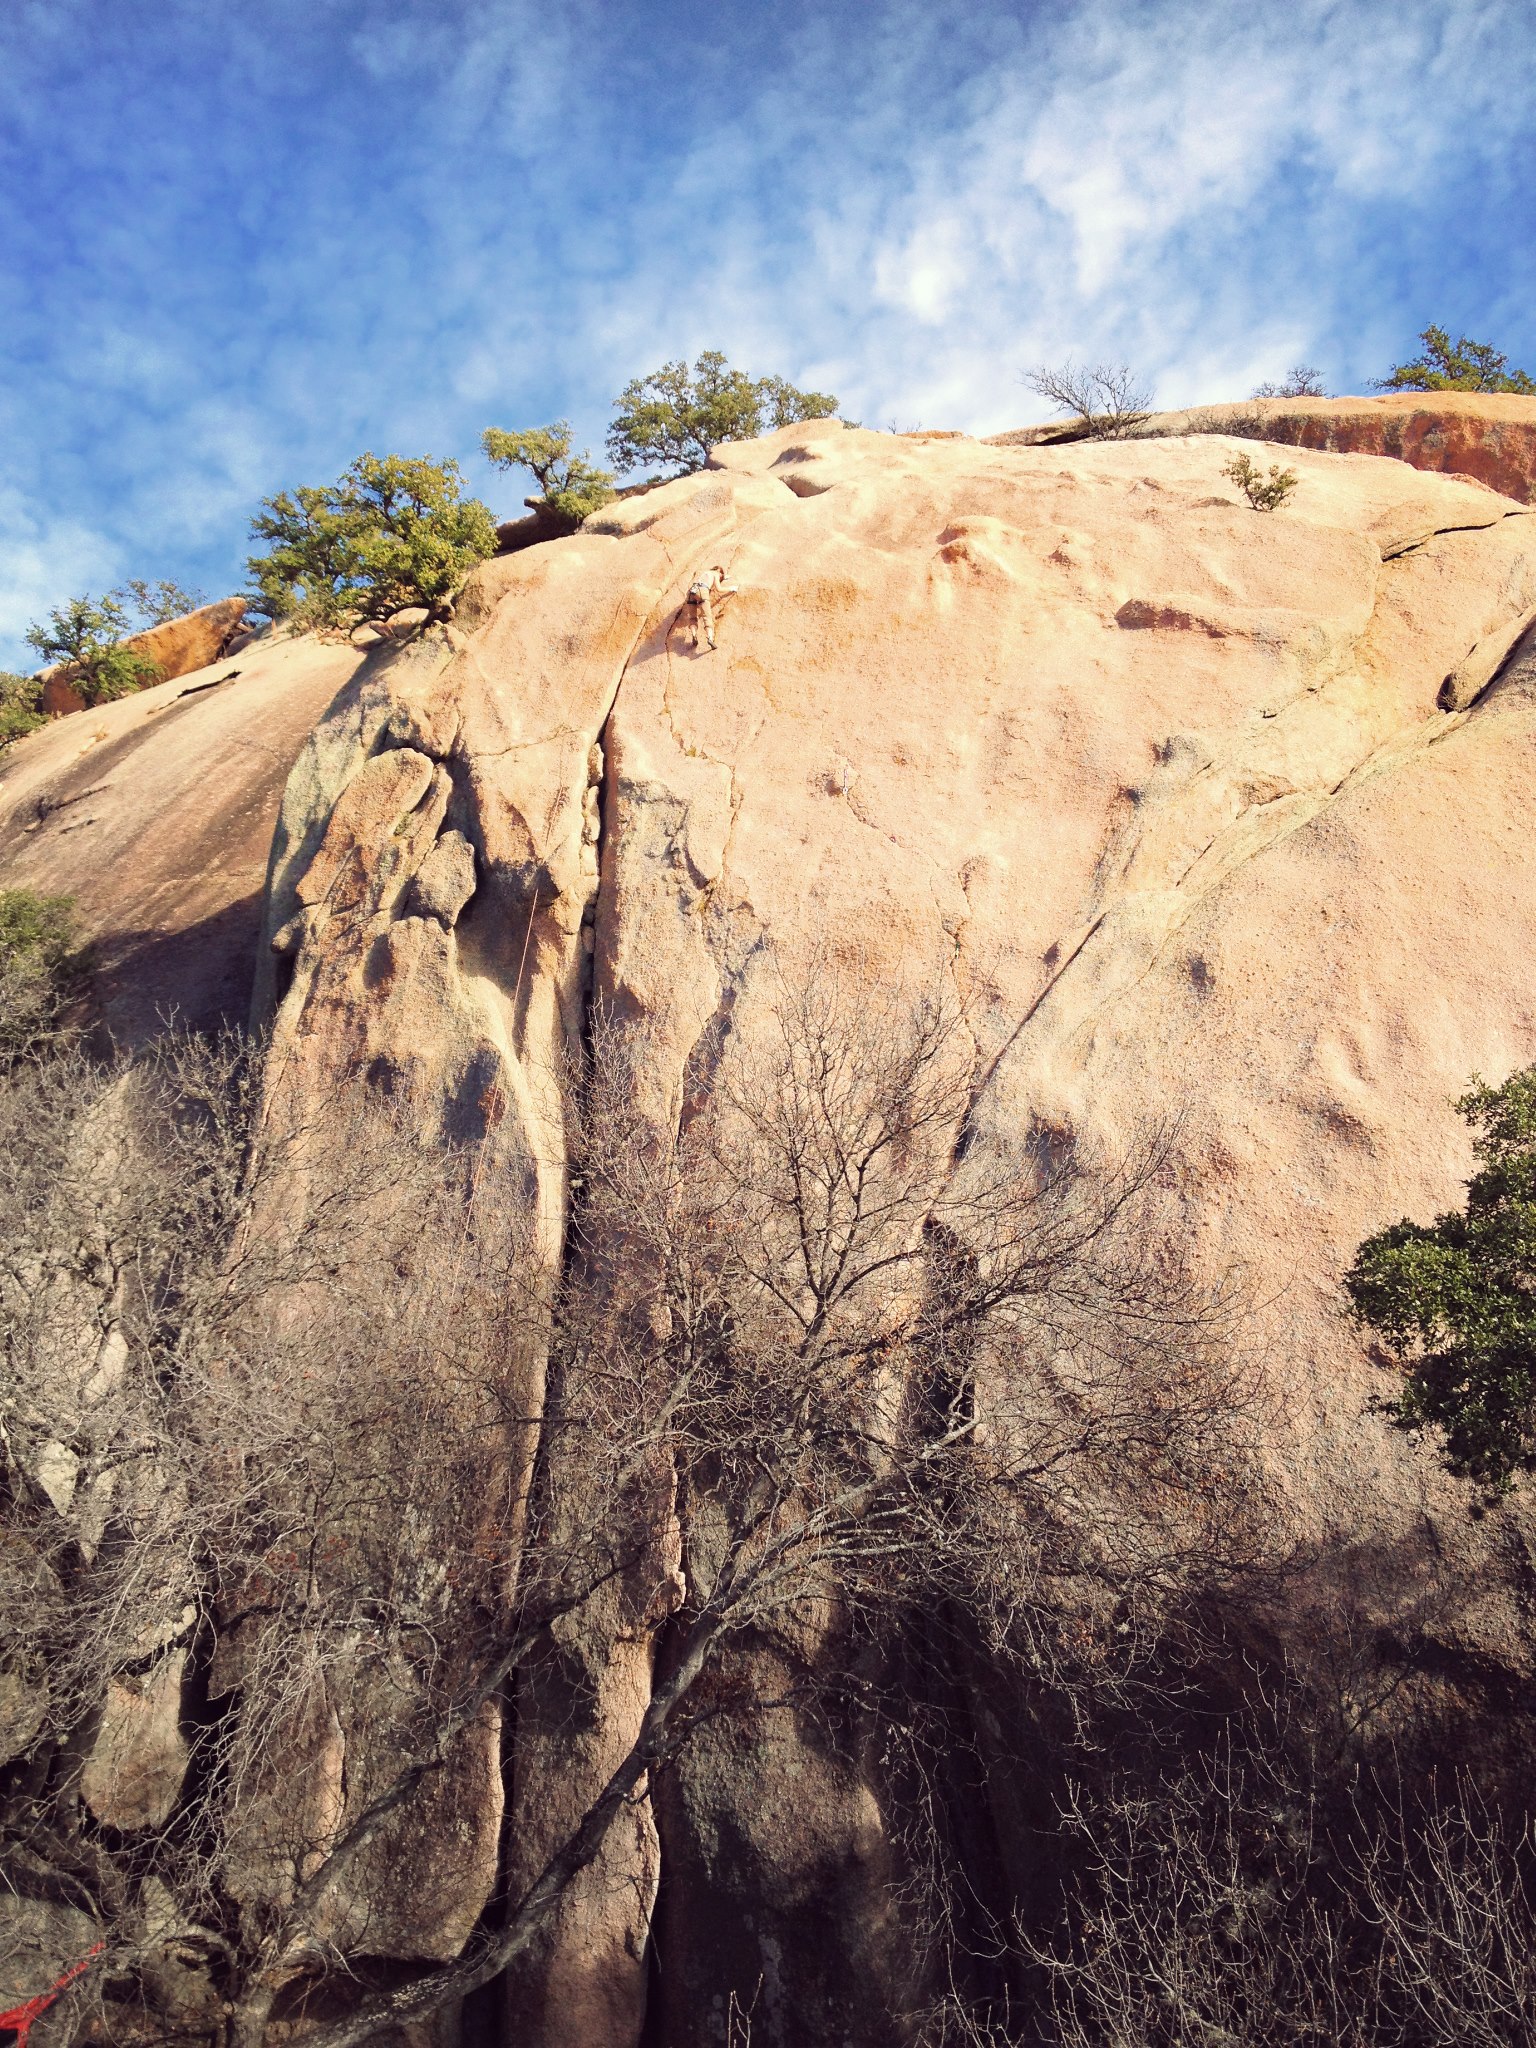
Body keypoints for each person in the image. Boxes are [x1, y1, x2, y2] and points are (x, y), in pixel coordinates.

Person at [685, 564, 737, 651]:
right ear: (719, 571)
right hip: (702, 590)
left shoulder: (705, 573)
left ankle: (694, 635)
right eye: (721, 574)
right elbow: (719, 589)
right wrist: (731, 588)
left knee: (692, 617)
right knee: (707, 616)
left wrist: (724, 577)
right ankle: (710, 638)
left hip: (692, 591)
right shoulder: (716, 574)